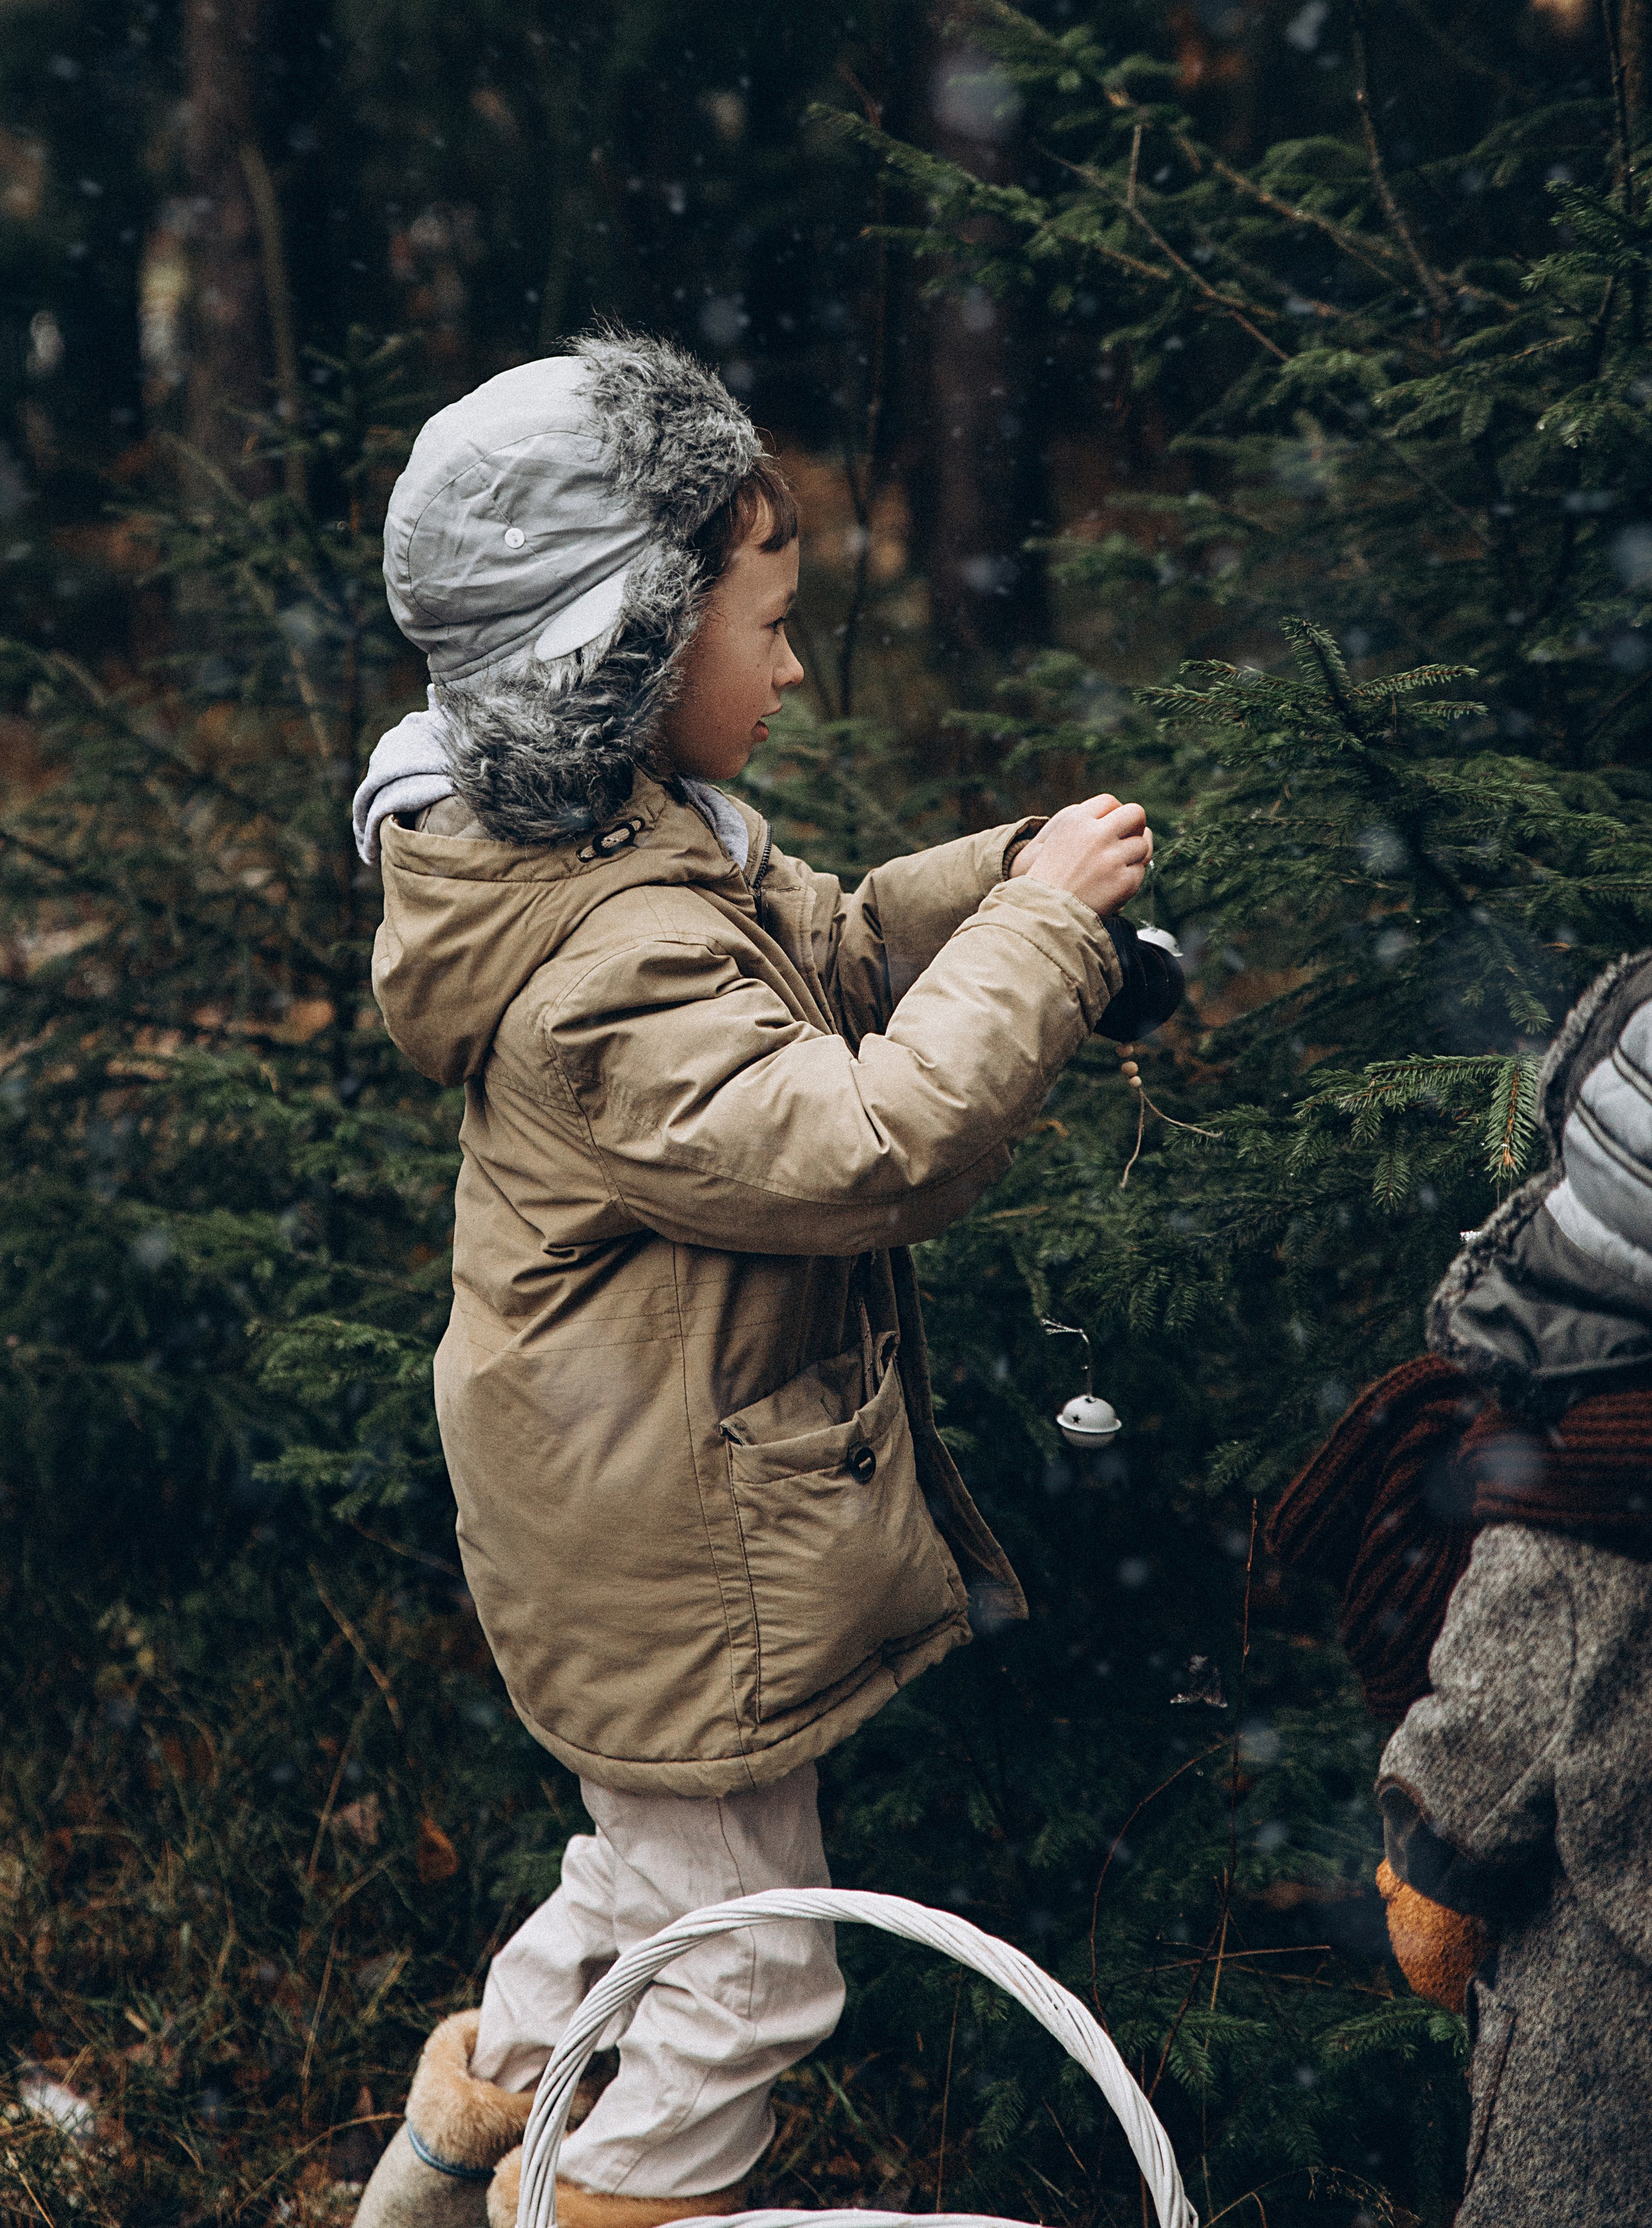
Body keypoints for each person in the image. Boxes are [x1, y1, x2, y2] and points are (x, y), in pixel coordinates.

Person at [349, 332, 1165, 2228]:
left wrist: (1010, 884)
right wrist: (1044, 929)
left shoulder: (643, 843)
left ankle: (439, 2173)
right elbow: (862, 1142)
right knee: (752, 1977)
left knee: (643, 1895)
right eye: (766, 623)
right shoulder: (605, 957)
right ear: (626, 650)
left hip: (629, 1512)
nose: (794, 668)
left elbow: (841, 955)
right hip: (659, 1552)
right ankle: (606, 2211)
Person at [1268, 950, 1652, 2228]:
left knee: (1569, 2178)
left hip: (1615, 1964)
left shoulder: (1599, 1466)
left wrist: (1433, 1863)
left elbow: (1510, 1691)